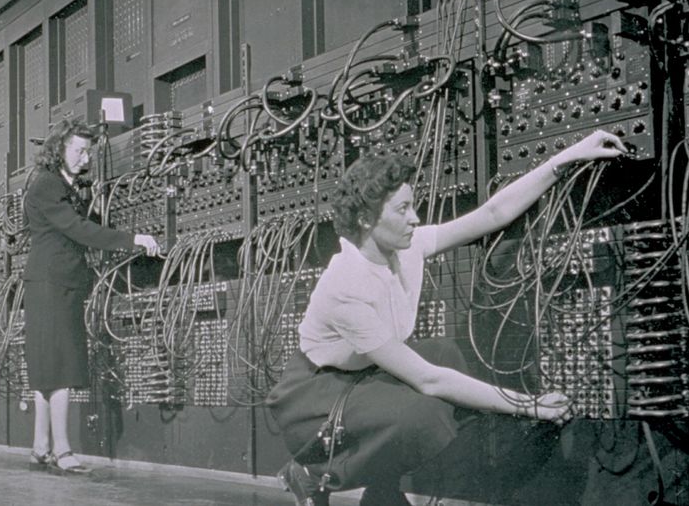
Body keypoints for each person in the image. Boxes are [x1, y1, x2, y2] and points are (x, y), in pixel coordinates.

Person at [267, 130, 627, 505]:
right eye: (402, 209)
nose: (415, 218)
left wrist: (567, 158)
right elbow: (428, 381)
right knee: (421, 413)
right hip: (316, 394)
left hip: (361, 375)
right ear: (365, 219)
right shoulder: (345, 284)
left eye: (413, 206)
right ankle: (308, 472)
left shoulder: (405, 248)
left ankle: (381, 490)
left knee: (443, 352)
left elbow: (491, 214)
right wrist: (529, 405)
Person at [23, 117, 160, 474]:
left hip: (55, 282)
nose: (86, 157)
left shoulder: (62, 187)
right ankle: (63, 450)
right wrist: (133, 240)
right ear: (59, 149)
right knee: (62, 365)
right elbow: (78, 228)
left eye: (89, 151)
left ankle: (41, 445)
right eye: (79, 150)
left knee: (46, 366)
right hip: (53, 282)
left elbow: (89, 222)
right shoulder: (48, 185)